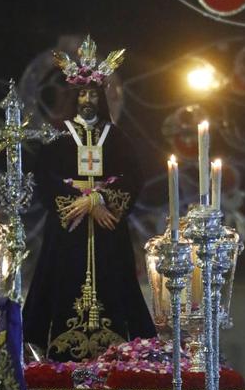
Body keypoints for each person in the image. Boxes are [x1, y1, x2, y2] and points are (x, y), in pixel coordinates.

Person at [24, 36, 154, 360]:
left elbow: (134, 176)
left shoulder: (117, 138)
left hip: (108, 227)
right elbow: (45, 178)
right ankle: (54, 349)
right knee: (59, 279)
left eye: (93, 94)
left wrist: (100, 200)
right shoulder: (58, 140)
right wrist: (79, 202)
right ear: (74, 97)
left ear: (102, 98)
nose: (87, 100)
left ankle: (119, 351)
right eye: (82, 94)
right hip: (68, 227)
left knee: (115, 280)